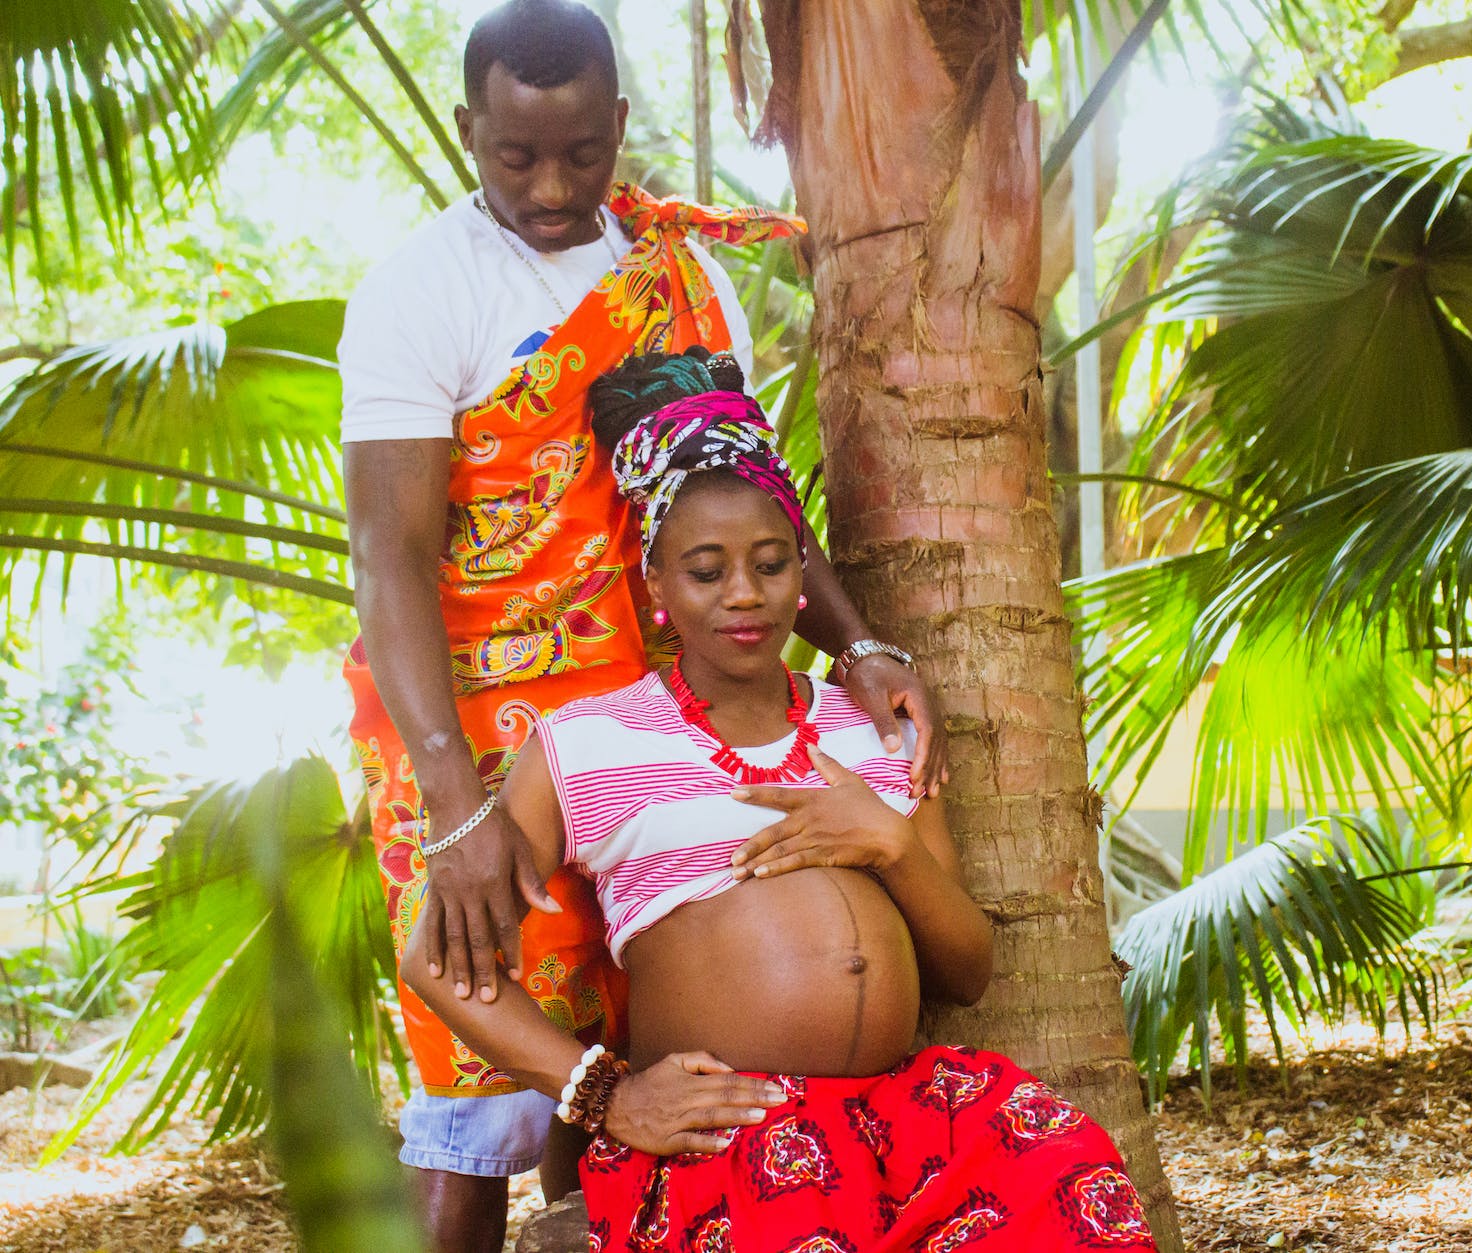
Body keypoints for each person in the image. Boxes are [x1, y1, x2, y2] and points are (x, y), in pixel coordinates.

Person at [336, 3, 943, 1247]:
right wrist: (452, 799)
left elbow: (749, 496)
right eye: (514, 157)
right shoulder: (416, 289)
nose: (552, 188)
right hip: (475, 728)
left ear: (618, 125)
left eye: (579, 154)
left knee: (617, 1041)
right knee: (476, 1077)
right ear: (468, 131)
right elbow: (386, 557)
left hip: (650, 722)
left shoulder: (682, 279)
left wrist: (857, 644)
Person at [400, 352, 1158, 1252]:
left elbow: (967, 970)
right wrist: (607, 1093)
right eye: (706, 571)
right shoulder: (586, 743)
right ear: (656, 586)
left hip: (905, 1116)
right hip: (729, 1127)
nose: (745, 595)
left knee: (1073, 1186)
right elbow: (437, 963)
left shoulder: (875, 724)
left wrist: (892, 847)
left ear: (803, 569)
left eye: (769, 562)